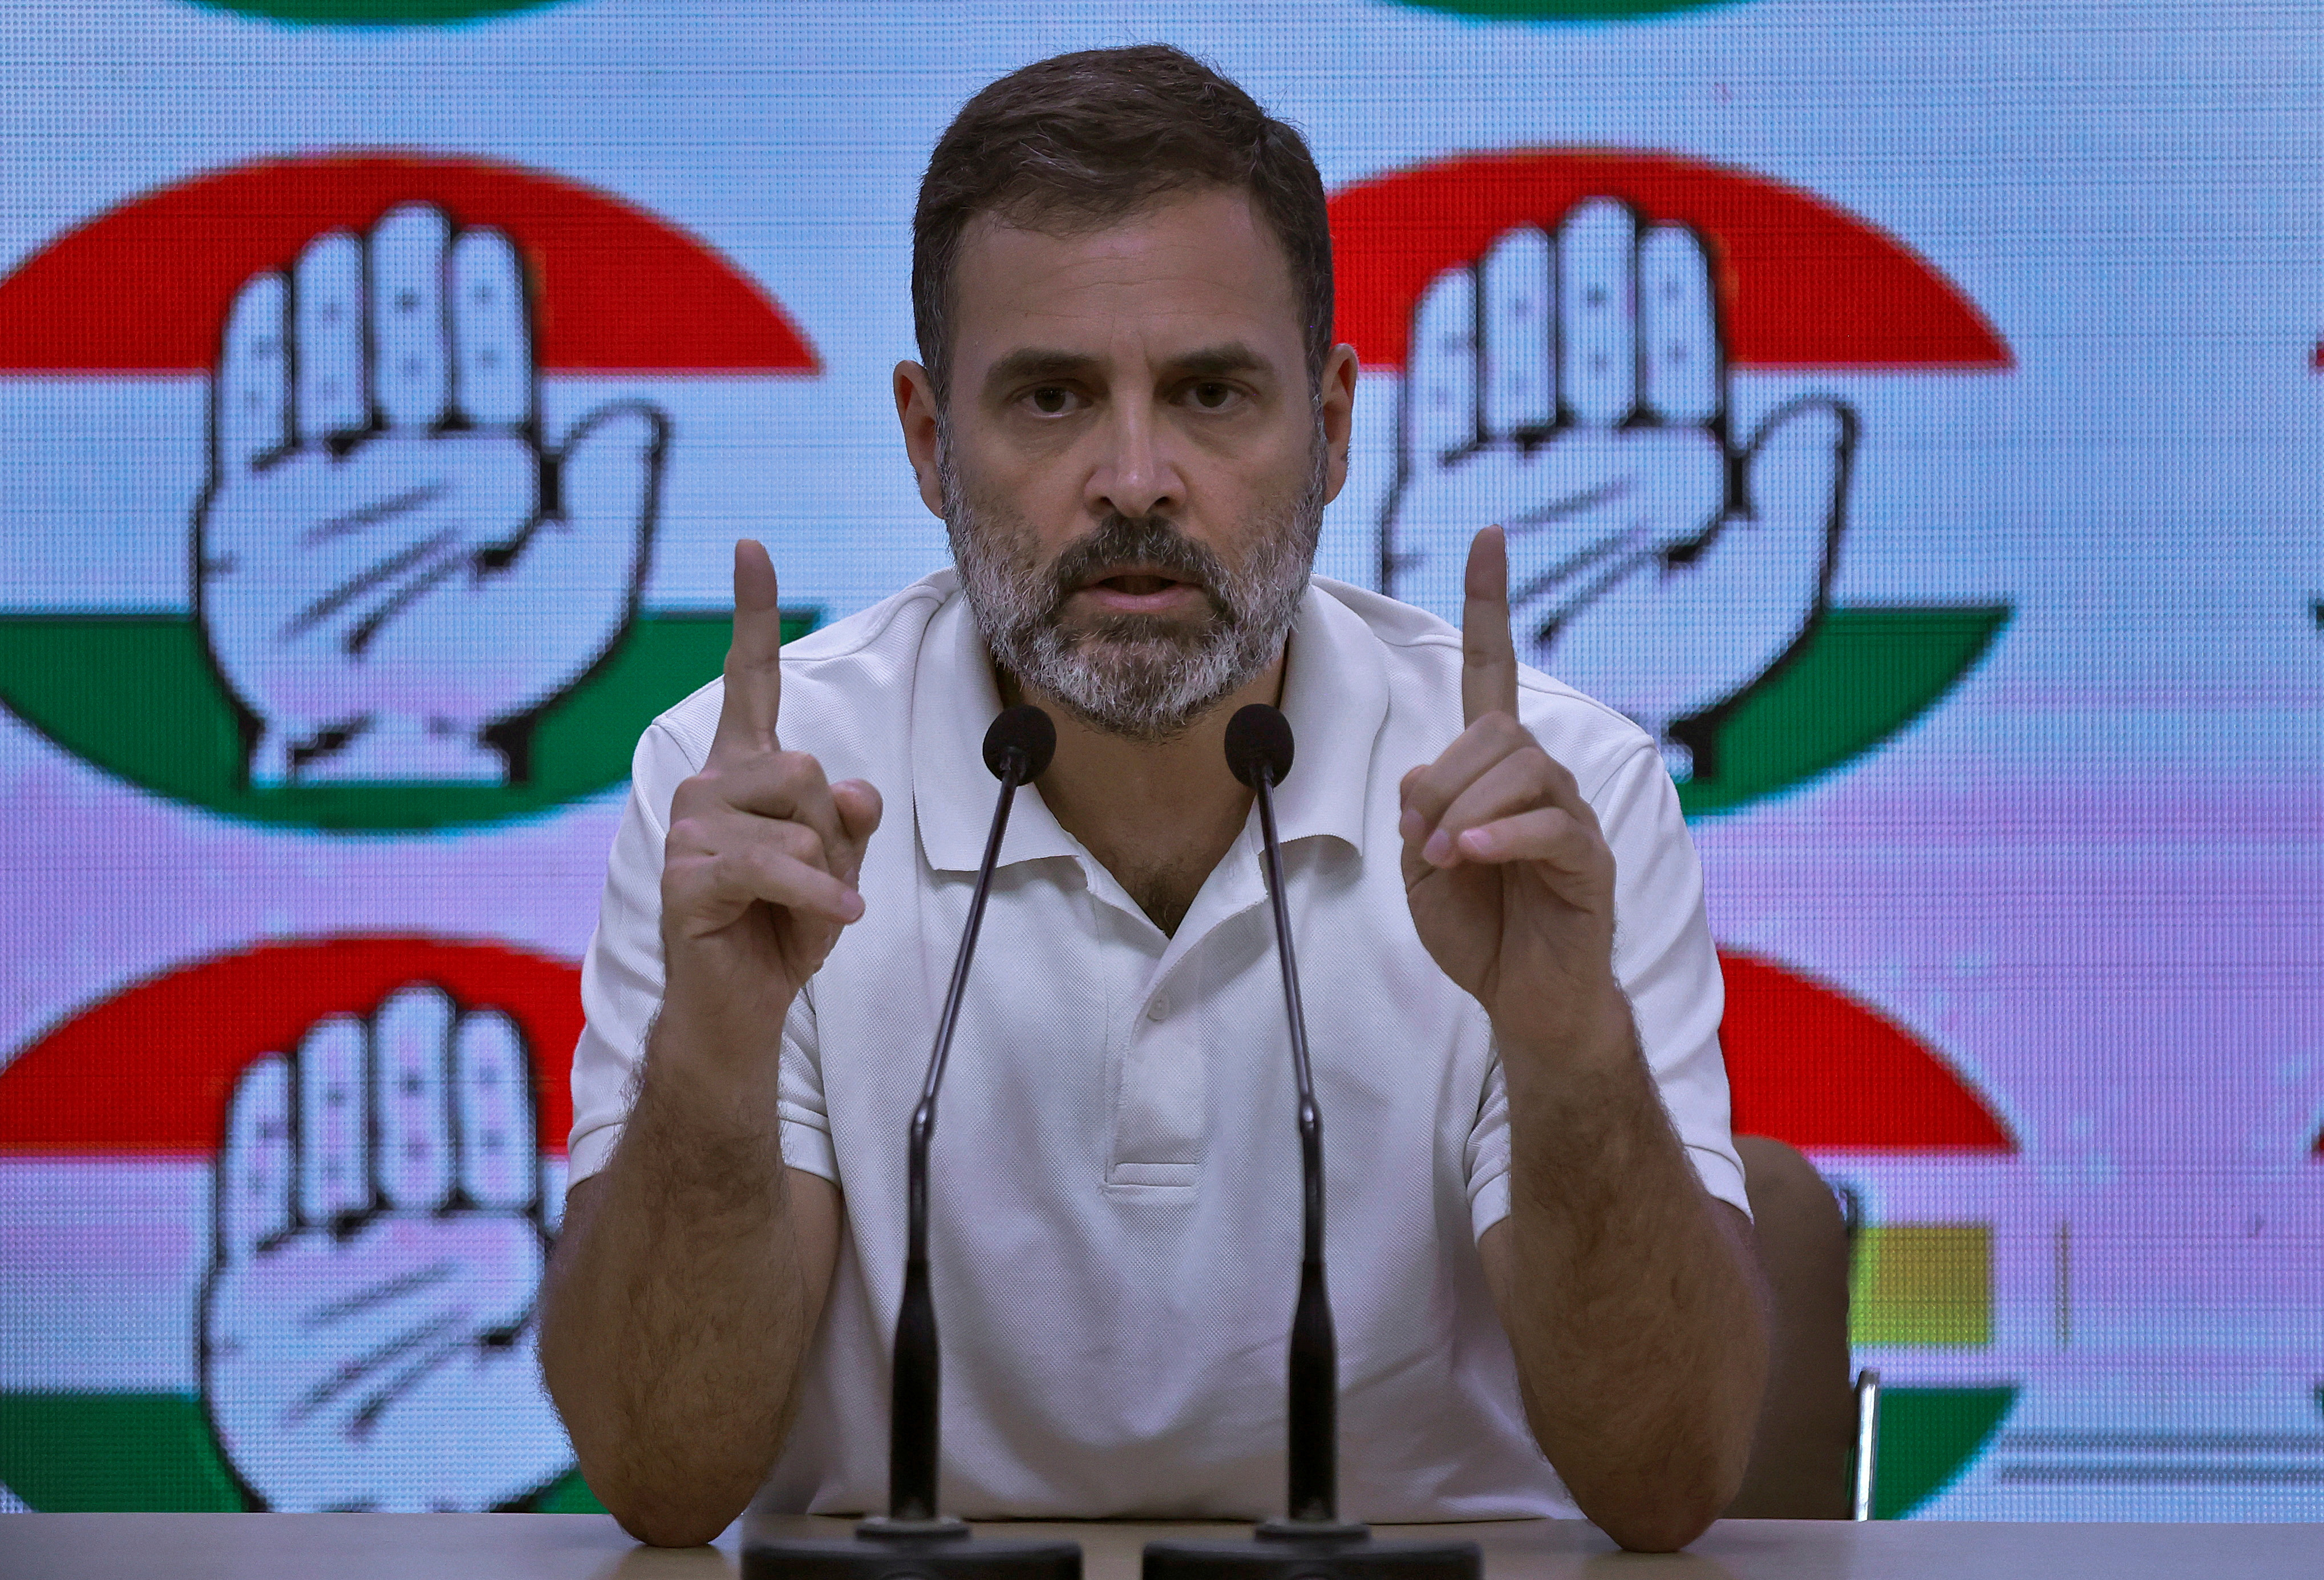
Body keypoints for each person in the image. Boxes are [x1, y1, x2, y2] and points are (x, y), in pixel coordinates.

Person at [537, 43, 1767, 1555]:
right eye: (1050, 398)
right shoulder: (759, 794)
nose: (1135, 478)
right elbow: (660, 1480)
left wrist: (1568, 1041)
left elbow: (1666, 1482)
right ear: (928, 441)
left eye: (1208, 394)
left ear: (1327, 428)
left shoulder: (1540, 800)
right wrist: (713, 1059)